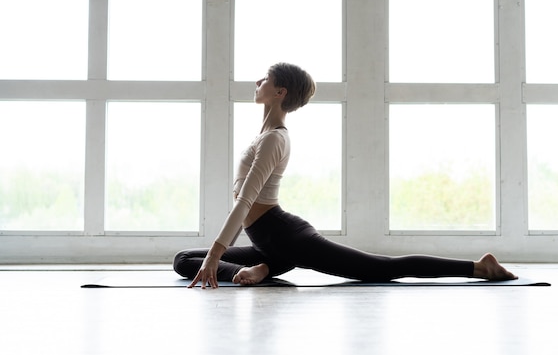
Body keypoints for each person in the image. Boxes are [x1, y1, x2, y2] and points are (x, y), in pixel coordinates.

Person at [173, 62, 517, 289]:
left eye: (266, 77)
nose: (258, 81)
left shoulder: (276, 138)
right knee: (184, 260)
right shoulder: (265, 136)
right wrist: (221, 259)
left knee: (381, 268)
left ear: (280, 92)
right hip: (268, 241)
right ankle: (260, 269)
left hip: (286, 237)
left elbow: (245, 201)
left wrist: (217, 253)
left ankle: (477, 267)